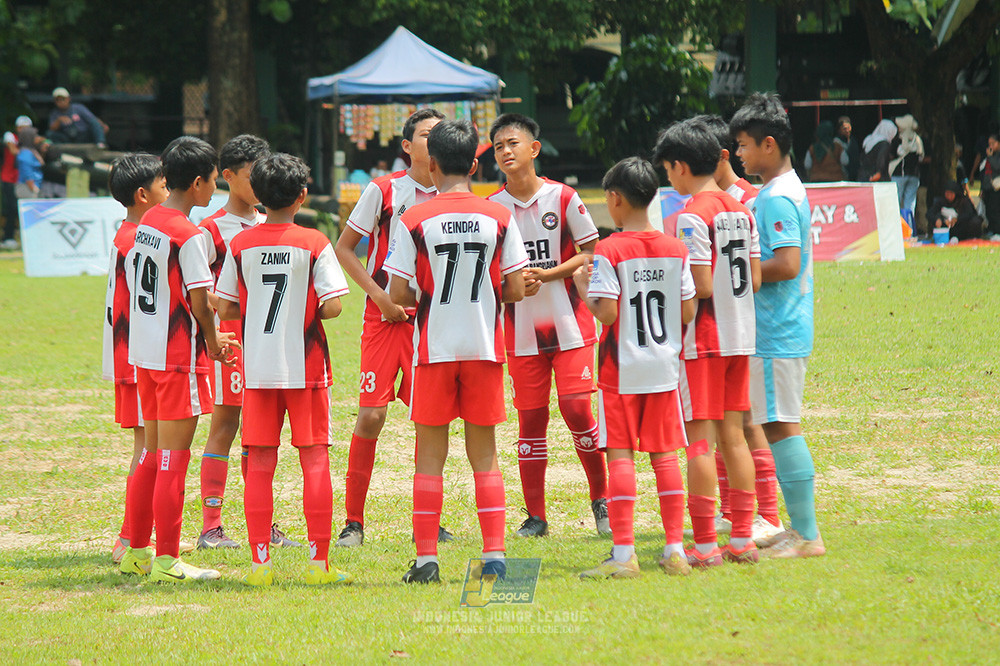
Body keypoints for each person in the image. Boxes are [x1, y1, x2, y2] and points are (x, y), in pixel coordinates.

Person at [384, 119, 528, 584]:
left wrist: (425, 293)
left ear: (430, 162)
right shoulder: (501, 216)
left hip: (434, 348)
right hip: (484, 348)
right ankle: (496, 557)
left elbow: (399, 293)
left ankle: (427, 559)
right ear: (475, 163)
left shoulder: (412, 219)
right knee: (484, 454)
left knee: (430, 455)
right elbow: (513, 288)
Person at [215, 153, 353, 586]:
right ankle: (318, 565)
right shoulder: (314, 242)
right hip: (306, 369)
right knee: (314, 463)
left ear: (258, 195)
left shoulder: (241, 244)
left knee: (259, 465)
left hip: (257, 370)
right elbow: (332, 306)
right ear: (303, 196)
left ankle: (259, 566)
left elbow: (227, 304)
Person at [117, 136, 238, 583]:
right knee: (173, 457)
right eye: (211, 182)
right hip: (177, 358)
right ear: (199, 182)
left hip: (145, 353)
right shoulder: (190, 235)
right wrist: (215, 342)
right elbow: (201, 302)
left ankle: (137, 551)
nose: (213, 193)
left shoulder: (149, 219)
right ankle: (168, 559)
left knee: (152, 453)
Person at [333, 109, 452, 548]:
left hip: (430, 320)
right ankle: (353, 522)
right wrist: (381, 298)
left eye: (440, 134)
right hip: (382, 319)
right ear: (407, 147)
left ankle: (430, 519)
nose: (434, 140)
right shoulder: (384, 190)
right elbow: (345, 249)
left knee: (429, 419)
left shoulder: (451, 193)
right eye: (426, 134)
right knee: (372, 414)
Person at [486, 113, 609, 538]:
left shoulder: (564, 197)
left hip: (570, 325)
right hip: (519, 334)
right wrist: (511, 285)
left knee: (577, 410)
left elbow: (591, 253)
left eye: (512, 143)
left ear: (534, 149)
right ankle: (536, 516)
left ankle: (601, 500)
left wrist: (549, 274)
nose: (505, 151)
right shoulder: (492, 209)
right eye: (499, 146)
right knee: (530, 422)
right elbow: (488, 271)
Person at [573, 157, 696, 579]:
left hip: (621, 369)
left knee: (621, 457)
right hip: (664, 367)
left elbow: (606, 314)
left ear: (614, 199)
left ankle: (624, 554)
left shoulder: (610, 249)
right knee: (665, 456)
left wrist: (583, 289)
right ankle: (675, 549)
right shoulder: (675, 248)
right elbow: (688, 310)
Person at [654, 118, 762, 568]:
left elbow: (697, 287)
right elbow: (753, 279)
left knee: (699, 441)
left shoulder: (690, 217)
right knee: (734, 436)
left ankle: (703, 546)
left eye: (666, 168)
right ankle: (742, 539)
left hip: (703, 340)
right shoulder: (742, 209)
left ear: (679, 167)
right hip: (741, 336)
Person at [730, 92, 825, 559]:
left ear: (769, 145)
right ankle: (798, 530)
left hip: (777, 329)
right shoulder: (779, 190)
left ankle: (806, 535)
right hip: (780, 328)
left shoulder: (777, 198)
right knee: (775, 427)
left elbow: (787, 264)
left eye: (745, 145)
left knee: (783, 428)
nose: (740, 154)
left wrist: (734, 273)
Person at [194, 134, 300, 550]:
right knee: (226, 424)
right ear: (228, 176)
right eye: (252, 175)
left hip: (270, 345)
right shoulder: (210, 231)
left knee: (261, 434)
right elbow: (198, 292)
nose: (260, 183)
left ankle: (264, 524)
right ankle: (211, 526)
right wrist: (215, 331)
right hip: (231, 346)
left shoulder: (270, 223)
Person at [693, 115, 784, 545]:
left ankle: (766, 513)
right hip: (729, 325)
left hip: (743, 324)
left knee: (745, 423)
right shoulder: (705, 199)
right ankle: (733, 512)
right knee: (726, 426)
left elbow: (758, 269)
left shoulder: (746, 199)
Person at [103, 154, 169, 564]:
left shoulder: (129, 234)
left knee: (147, 446)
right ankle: (130, 537)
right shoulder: (138, 239)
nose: (169, 191)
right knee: (148, 447)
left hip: (133, 355)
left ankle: (134, 534)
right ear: (144, 194)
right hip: (139, 357)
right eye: (164, 185)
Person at [1, 116, 32, 249]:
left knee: (25, 208)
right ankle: (7, 238)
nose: (23, 130)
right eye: (21, 128)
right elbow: (13, 150)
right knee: (11, 208)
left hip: (23, 180)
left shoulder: (29, 142)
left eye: (27, 128)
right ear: (17, 128)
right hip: (8, 178)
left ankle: (27, 238)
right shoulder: (11, 136)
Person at [889, 114, 924, 217]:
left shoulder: (898, 139)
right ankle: (909, 227)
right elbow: (921, 156)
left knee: (896, 202)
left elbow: (892, 155)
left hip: (899, 174)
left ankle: (898, 227)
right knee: (910, 204)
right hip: (914, 175)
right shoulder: (917, 139)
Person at [858, 119, 897, 183]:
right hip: (876, 180)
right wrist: (879, 173)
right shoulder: (884, 144)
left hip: (863, 176)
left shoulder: (868, 140)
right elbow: (881, 161)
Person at [976, 134, 1000, 237]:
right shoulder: (989, 156)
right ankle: (991, 230)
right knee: (989, 210)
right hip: (987, 187)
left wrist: (990, 157)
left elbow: (997, 167)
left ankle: (997, 231)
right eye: (989, 144)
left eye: (993, 143)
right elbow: (984, 172)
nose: (990, 146)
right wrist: (982, 188)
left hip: (996, 187)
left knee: (995, 210)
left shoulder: (996, 156)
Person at [14, 127, 45, 200]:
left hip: (34, 187)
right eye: (35, 136)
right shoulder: (25, 154)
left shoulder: (31, 151)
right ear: (29, 138)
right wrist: (35, 191)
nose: (37, 138)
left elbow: (40, 163)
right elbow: (28, 174)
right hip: (28, 189)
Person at [834, 116, 860, 181]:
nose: (847, 130)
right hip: (841, 175)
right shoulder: (836, 142)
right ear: (839, 130)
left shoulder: (853, 141)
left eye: (848, 128)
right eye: (844, 129)